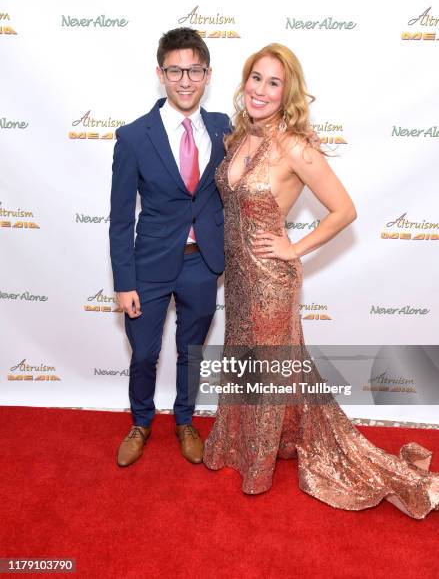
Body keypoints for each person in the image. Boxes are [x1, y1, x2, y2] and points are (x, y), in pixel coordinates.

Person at [203, 43, 439, 519]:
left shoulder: (294, 146)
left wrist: (293, 248)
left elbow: (345, 210)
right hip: (240, 278)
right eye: (256, 78)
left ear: (286, 92)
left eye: (274, 82)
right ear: (244, 82)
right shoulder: (237, 138)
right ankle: (247, 442)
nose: (262, 90)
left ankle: (259, 465)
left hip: (271, 278)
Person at [109, 27, 230, 467]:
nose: (185, 80)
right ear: (160, 73)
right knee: (143, 353)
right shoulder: (134, 137)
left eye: (194, 70)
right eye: (175, 70)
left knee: (190, 351)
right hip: (149, 266)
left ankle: (185, 421)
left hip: (203, 264)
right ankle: (141, 422)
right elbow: (121, 218)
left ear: (207, 74)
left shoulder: (223, 130)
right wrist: (124, 282)